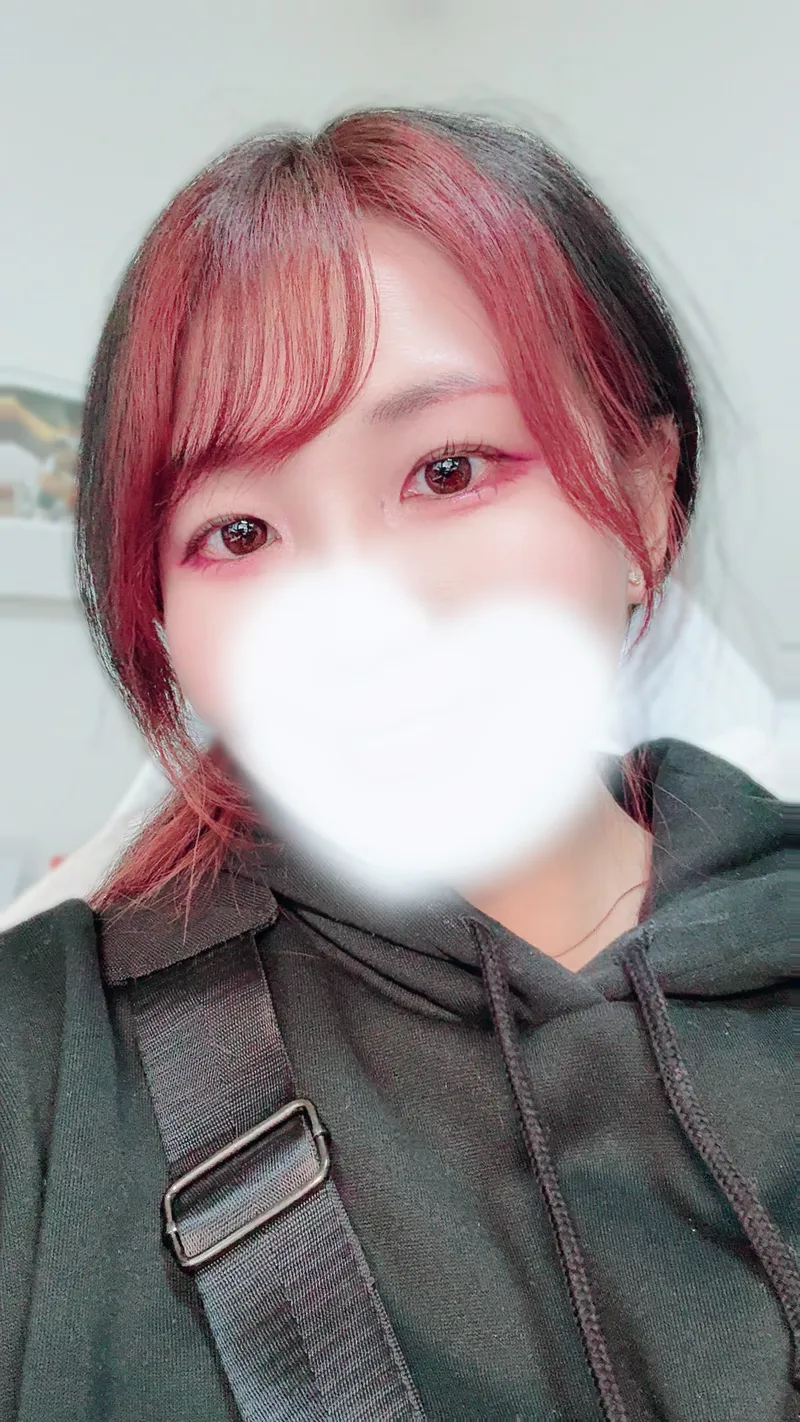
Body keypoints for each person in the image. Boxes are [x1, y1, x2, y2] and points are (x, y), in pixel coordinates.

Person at [0, 108, 794, 1422]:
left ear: (647, 500)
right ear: (163, 628)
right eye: (237, 532)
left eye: (450, 469)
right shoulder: (43, 1061)